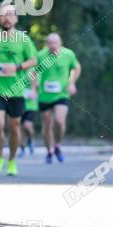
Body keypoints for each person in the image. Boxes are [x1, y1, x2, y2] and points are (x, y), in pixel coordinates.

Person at [0, 3, 37, 176]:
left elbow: (34, 60)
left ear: (16, 18)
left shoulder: (23, 39)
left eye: (10, 14)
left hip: (17, 90)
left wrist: (18, 67)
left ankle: (12, 160)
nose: (7, 18)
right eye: (3, 14)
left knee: (15, 127)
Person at [35, 33, 80, 164]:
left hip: (61, 94)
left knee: (59, 121)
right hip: (45, 95)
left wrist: (71, 82)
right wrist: (35, 84)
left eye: (56, 42)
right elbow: (35, 72)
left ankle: (58, 145)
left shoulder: (68, 54)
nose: (53, 45)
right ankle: (49, 151)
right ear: (46, 44)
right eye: (50, 43)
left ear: (60, 43)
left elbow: (76, 68)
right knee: (47, 125)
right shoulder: (40, 55)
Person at [19, 84, 38, 157]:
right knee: (19, 128)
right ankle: (22, 148)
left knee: (27, 126)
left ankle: (30, 139)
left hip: (30, 106)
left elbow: (38, 84)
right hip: (18, 104)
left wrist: (34, 90)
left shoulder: (33, 73)